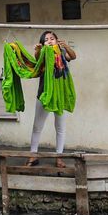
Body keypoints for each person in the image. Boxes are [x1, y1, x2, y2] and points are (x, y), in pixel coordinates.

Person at [26, 30, 76, 168]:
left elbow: (73, 56)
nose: (49, 40)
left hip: (59, 95)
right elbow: (37, 61)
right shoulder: (42, 53)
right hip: (44, 95)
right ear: (43, 44)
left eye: (52, 38)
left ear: (57, 40)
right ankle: (33, 156)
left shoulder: (61, 54)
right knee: (37, 127)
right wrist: (37, 51)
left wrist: (66, 46)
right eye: (46, 39)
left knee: (60, 127)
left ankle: (59, 158)